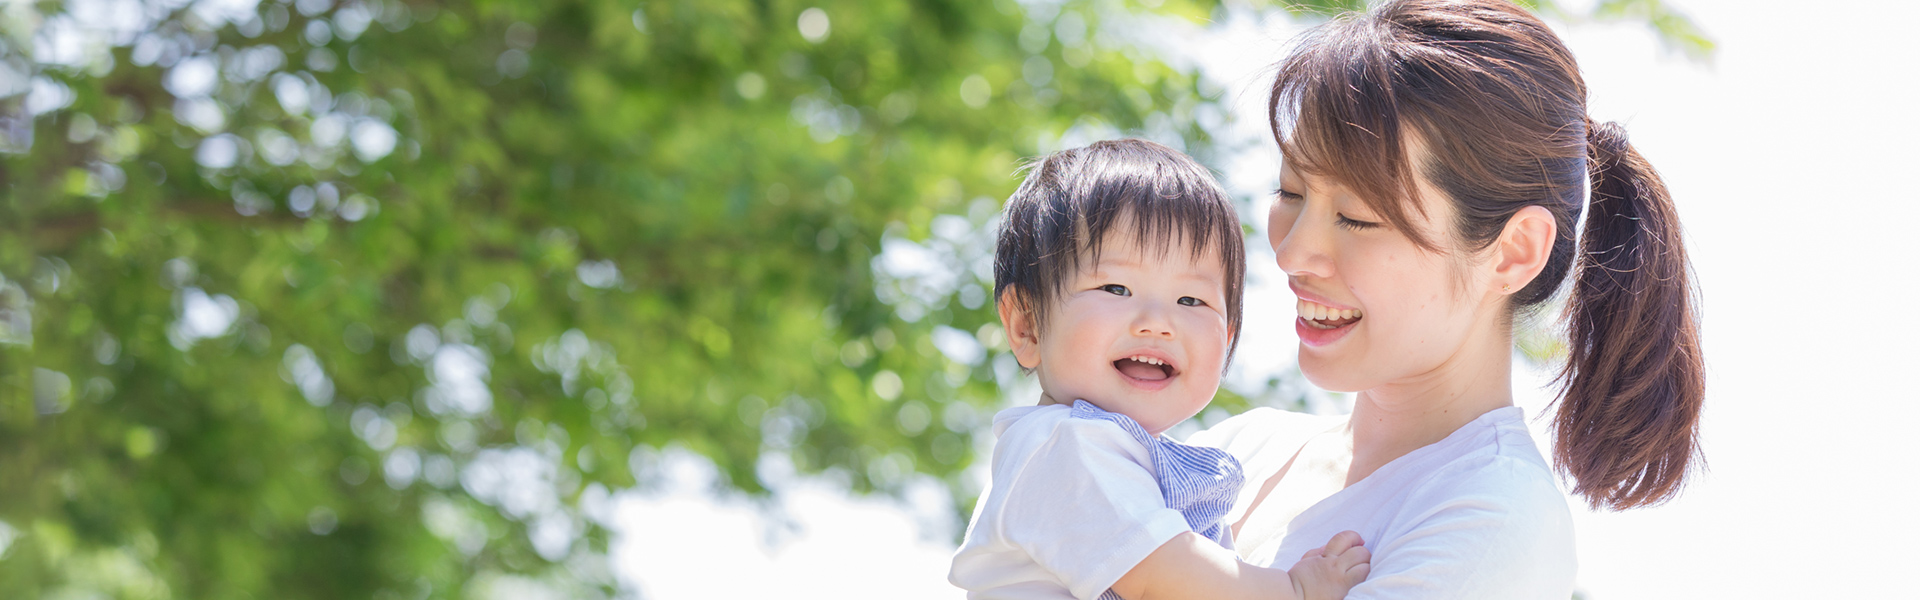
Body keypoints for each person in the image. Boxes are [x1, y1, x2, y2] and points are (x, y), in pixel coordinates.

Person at [1190, 0, 1707, 597]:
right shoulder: (1240, 452)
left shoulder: (1492, 518)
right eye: (1290, 192)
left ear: (1513, 252)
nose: (1293, 252)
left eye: (1356, 218)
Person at [949, 139, 1371, 600]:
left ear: (1228, 336)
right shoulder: (1062, 447)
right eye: (1115, 287)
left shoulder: (1136, 462)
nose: (1158, 323)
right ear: (1027, 325)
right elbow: (1161, 576)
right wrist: (1292, 590)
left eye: (1191, 300)